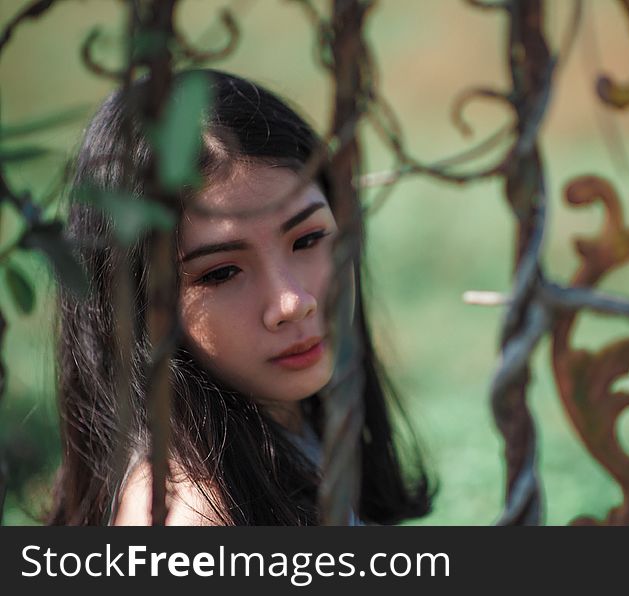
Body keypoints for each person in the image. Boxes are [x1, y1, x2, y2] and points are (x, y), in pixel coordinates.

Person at [47, 69, 434, 525]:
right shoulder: (195, 512)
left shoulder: (294, 426)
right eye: (222, 272)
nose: (292, 303)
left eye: (307, 240)